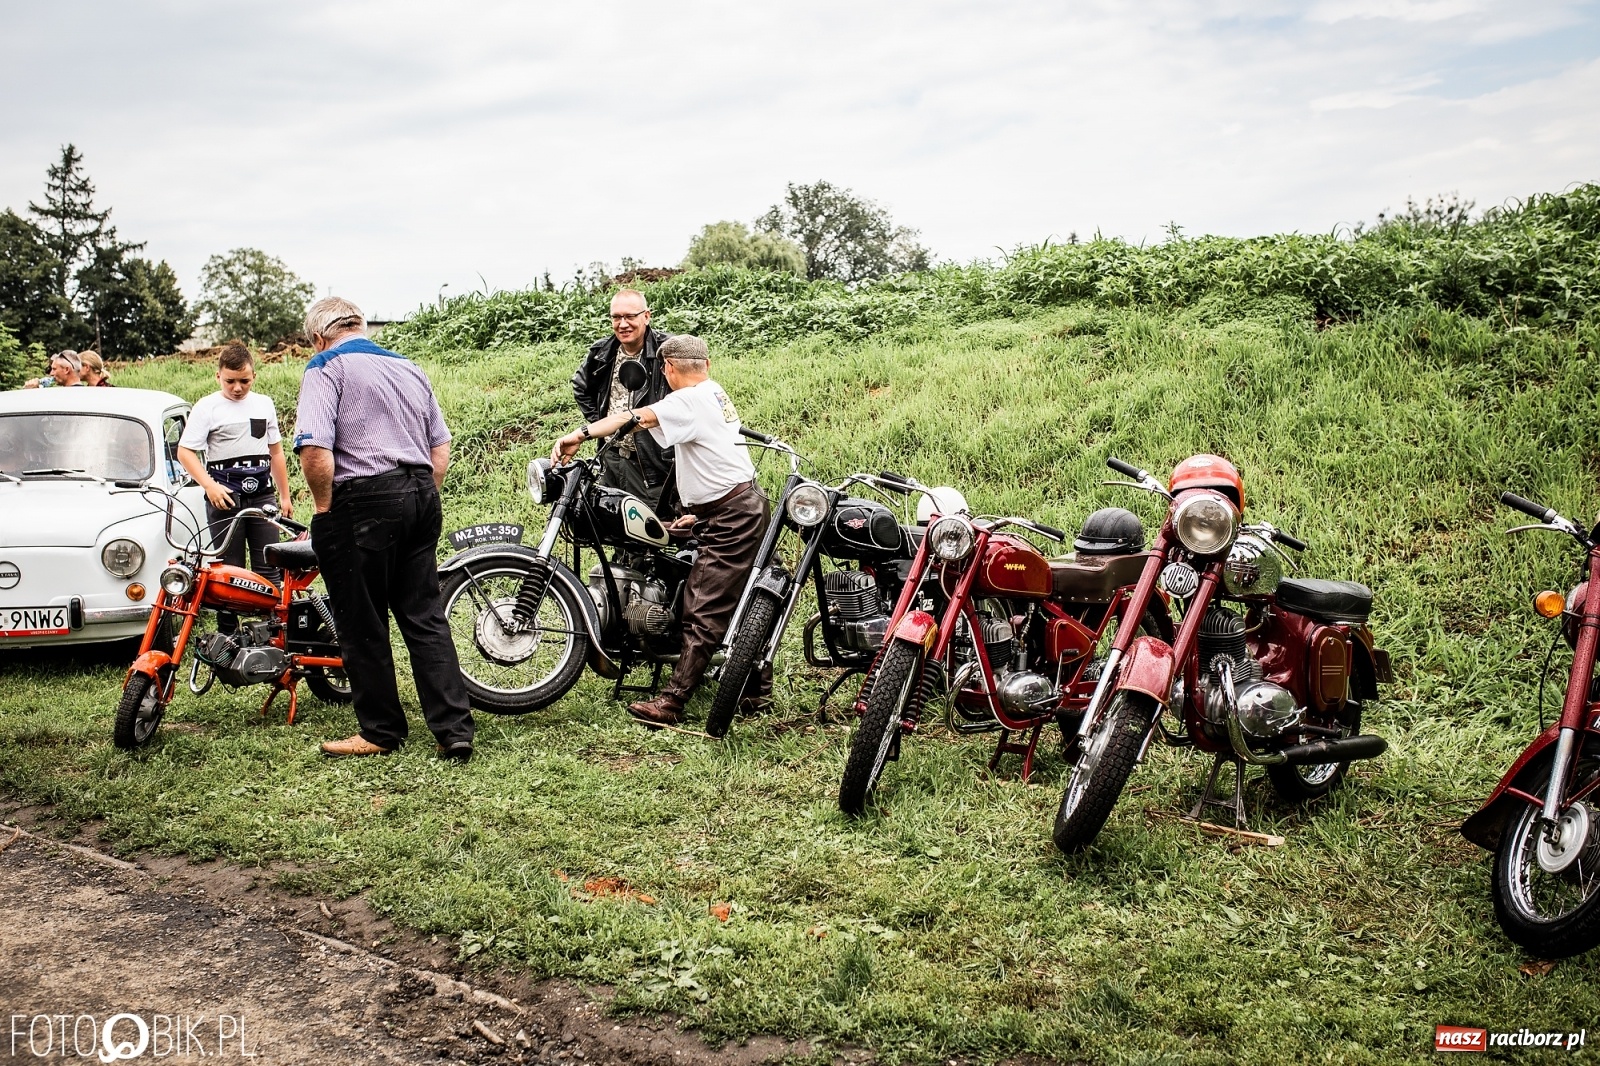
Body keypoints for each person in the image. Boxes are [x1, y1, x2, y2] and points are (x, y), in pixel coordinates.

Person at [552, 334, 768, 727]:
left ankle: (672, 702)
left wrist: (579, 435)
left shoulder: (689, 400)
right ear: (706, 364)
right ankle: (755, 685)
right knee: (731, 594)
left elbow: (635, 418)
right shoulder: (712, 391)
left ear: (667, 368)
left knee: (702, 607)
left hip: (733, 516)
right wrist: (696, 513)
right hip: (730, 507)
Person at [293, 296, 475, 762]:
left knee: (361, 620)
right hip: (420, 492)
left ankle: (381, 730)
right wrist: (422, 494)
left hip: (363, 500)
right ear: (359, 326)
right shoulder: (408, 367)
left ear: (319, 337)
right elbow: (440, 445)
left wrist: (324, 509)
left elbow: (314, 449)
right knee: (424, 615)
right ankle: (454, 730)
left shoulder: (326, 366)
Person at [176, 343, 293, 632]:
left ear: (254, 376)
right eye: (230, 381)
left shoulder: (264, 404)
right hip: (225, 498)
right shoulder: (207, 407)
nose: (237, 388)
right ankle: (227, 636)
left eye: (244, 381)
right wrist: (209, 486)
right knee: (229, 571)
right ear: (218, 376)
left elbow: (276, 452)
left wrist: (285, 495)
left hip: (262, 496)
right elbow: (185, 452)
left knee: (269, 565)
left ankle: (273, 633)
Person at [569, 289, 674, 508]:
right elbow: (581, 386)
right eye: (616, 317)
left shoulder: (667, 351)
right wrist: (600, 424)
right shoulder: (602, 352)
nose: (623, 324)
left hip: (651, 463)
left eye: (630, 316)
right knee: (612, 518)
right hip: (611, 456)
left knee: (652, 523)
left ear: (646, 316)